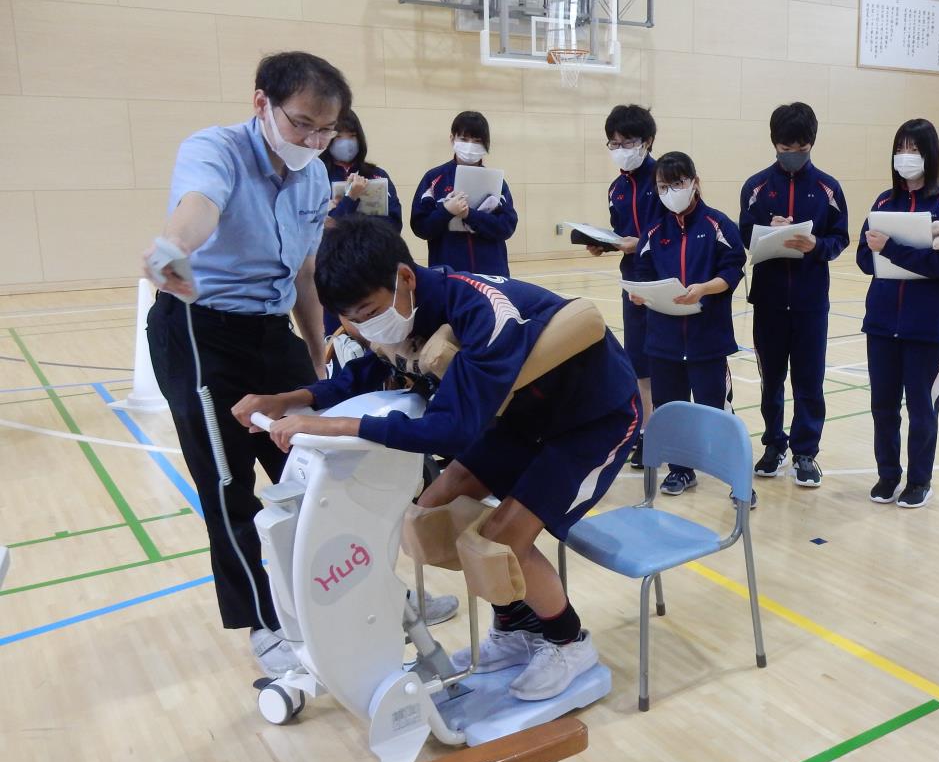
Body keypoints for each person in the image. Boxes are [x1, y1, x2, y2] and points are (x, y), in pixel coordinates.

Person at [235, 216, 642, 703]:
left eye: (368, 312)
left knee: (502, 542)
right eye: (351, 320)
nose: (364, 328)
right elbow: (372, 370)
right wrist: (290, 398)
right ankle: (515, 627)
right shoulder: (403, 311)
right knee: (429, 515)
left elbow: (451, 430)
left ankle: (568, 642)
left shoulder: (482, 313)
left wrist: (330, 425)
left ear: (404, 277)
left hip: (592, 418)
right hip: (525, 416)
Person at [141, 51, 351, 675]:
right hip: (198, 326)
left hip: (270, 329)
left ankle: (345, 587)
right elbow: (199, 207)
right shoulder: (216, 149)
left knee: (318, 466)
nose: (314, 140)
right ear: (262, 103)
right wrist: (173, 249)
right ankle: (262, 621)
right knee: (230, 485)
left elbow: (306, 274)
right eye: (302, 124)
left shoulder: (314, 177)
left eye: (326, 130)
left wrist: (315, 356)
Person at [855, 119, 939, 510]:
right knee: (883, 406)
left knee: (922, 409)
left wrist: (891, 249)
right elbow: (862, 259)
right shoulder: (884, 202)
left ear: (930, 154)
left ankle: (920, 480)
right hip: (883, 323)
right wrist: (879, 250)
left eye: (914, 148)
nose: (906, 156)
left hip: (926, 326)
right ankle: (888, 475)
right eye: (900, 147)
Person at [738, 102, 850, 488]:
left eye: (799, 146)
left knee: (808, 381)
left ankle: (805, 452)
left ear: (811, 143)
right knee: (771, 379)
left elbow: (840, 238)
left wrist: (816, 243)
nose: (792, 153)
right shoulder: (755, 188)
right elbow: (742, 234)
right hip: (768, 301)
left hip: (810, 303)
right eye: (785, 147)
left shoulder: (828, 188)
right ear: (774, 143)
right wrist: (768, 230)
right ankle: (774, 445)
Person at [628, 152, 748, 501]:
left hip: (707, 339)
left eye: (678, 183)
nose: (672, 191)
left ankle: (736, 478)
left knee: (717, 412)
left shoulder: (717, 225)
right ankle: (681, 471)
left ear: (695, 182)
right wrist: (641, 295)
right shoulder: (653, 233)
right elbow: (643, 275)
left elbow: (733, 267)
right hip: (663, 342)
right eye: (664, 186)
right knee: (672, 409)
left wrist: (705, 288)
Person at [592, 104, 662, 468]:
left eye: (628, 141)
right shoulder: (616, 189)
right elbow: (622, 233)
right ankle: (648, 435)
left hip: (668, 280)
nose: (621, 149)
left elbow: (679, 228)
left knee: (671, 360)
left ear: (647, 142)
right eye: (614, 143)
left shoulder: (667, 177)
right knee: (639, 363)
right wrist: (604, 243)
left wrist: (643, 242)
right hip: (632, 281)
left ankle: (678, 433)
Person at [321, 108, 402, 333]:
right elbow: (321, 230)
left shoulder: (377, 175)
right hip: (333, 271)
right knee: (338, 337)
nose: (346, 142)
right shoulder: (316, 175)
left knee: (380, 335)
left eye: (352, 135)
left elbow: (394, 225)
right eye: (338, 136)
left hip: (374, 270)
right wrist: (350, 199)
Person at [410, 110, 517, 276]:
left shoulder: (497, 182)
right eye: (464, 139)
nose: (470, 145)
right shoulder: (434, 178)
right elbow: (420, 227)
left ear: (486, 144)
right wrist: (446, 212)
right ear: (452, 139)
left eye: (477, 141)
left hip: (492, 274)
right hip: (449, 275)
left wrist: (470, 215)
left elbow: (507, 227)